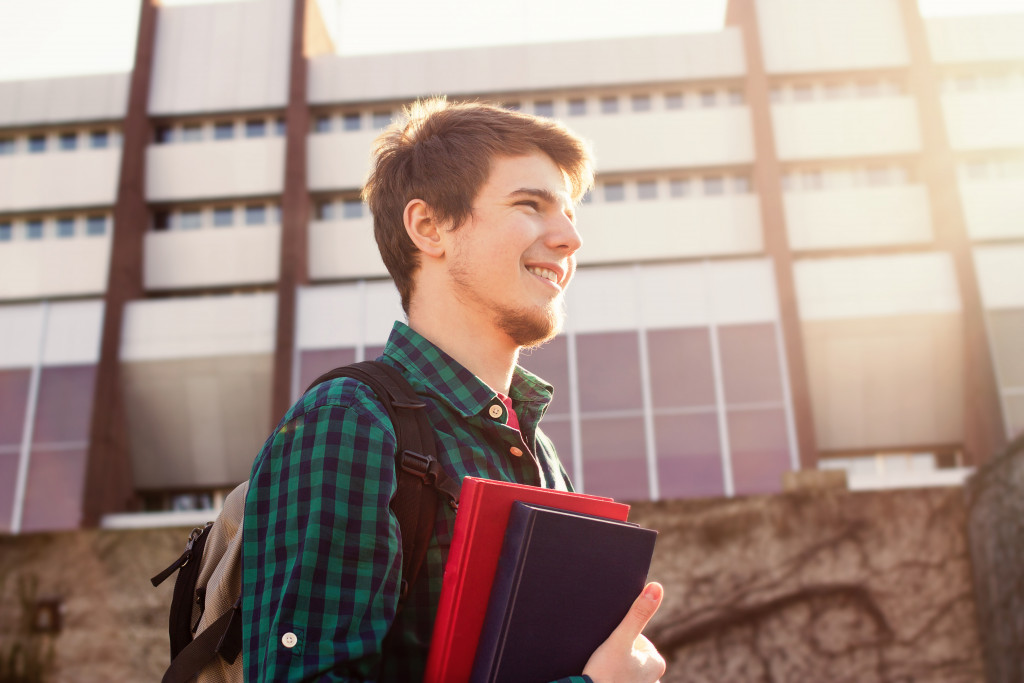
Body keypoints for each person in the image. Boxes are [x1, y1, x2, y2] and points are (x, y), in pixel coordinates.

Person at [241, 97, 666, 682]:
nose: (570, 238)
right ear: (429, 227)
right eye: (530, 205)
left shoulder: (538, 450)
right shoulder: (349, 421)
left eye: (569, 213)